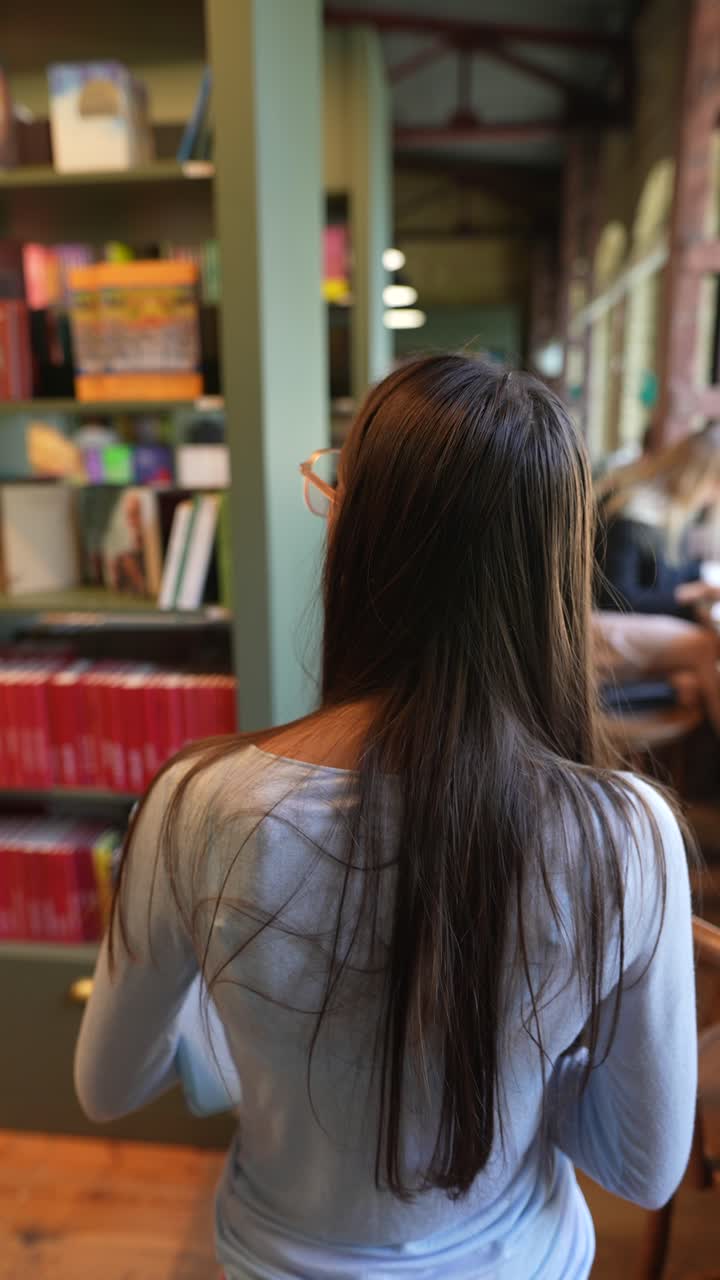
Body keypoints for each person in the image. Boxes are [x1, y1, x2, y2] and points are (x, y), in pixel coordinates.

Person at [75, 357, 696, 1280]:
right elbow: (645, 1169)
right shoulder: (628, 834)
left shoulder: (195, 803)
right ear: (554, 566)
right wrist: (516, 1063)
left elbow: (107, 1086)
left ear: (359, 540)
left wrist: (245, 1030)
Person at [596, 423, 720, 733]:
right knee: (707, 649)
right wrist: (689, 594)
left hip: (611, 619)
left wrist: (699, 581)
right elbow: (618, 598)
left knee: (693, 682)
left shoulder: (658, 506)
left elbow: (660, 576)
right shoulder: (633, 514)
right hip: (593, 623)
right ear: (700, 478)